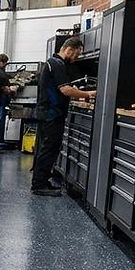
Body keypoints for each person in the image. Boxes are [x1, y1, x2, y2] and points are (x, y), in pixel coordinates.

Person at [31, 36, 96, 196]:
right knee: (48, 149)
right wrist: (88, 93)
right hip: (51, 114)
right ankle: (39, 185)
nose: (76, 58)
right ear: (69, 50)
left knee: (47, 148)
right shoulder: (57, 64)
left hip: (48, 113)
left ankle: (42, 181)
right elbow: (65, 90)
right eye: (77, 54)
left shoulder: (53, 63)